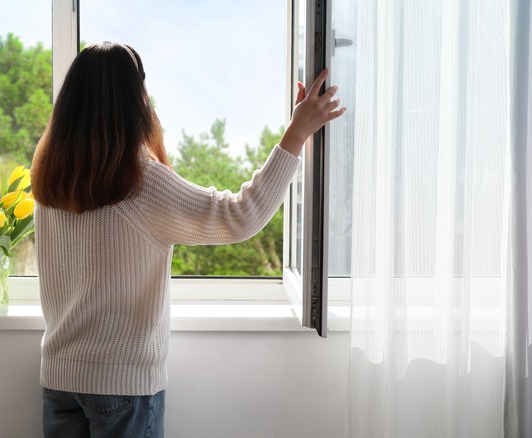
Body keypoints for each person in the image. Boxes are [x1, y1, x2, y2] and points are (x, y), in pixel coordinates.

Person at [30, 41, 345, 438]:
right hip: (121, 388)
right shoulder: (140, 181)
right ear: (136, 99)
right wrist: (297, 134)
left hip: (58, 380)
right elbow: (240, 216)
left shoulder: (51, 180)